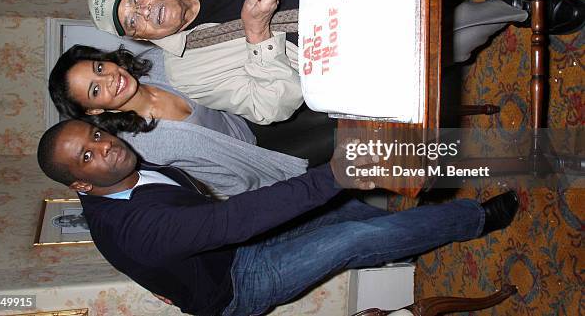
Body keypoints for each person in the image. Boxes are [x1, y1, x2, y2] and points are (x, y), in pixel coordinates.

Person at [37, 119, 520, 316]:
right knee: (350, 238)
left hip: (227, 248)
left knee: (346, 212)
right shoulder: (135, 231)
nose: (104, 148)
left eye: (96, 136)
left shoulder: (128, 168)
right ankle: (474, 219)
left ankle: (417, 213)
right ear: (81, 185)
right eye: (87, 157)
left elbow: (216, 218)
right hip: (233, 289)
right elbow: (229, 222)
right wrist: (334, 173)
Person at [88, 0, 585, 124]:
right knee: (433, 40)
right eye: (132, 22)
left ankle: (500, 1)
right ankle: (516, 8)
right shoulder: (189, 75)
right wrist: (258, 35)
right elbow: (271, 108)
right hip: (344, 57)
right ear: (139, 38)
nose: (144, 11)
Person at [48, 44, 308, 196]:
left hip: (259, 115)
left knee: (343, 120)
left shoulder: (156, 61)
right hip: (263, 171)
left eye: (99, 68)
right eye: (95, 90)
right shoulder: (136, 150)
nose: (110, 80)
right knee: (345, 161)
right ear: (93, 111)